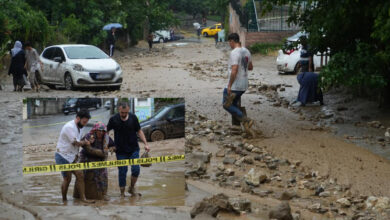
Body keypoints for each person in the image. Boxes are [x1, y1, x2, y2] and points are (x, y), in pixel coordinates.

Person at [107, 102, 150, 197]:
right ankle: (122, 193)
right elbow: (106, 133)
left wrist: (146, 144)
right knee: (122, 171)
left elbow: (139, 131)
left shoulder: (133, 118)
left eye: (125, 112)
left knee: (136, 170)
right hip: (120, 151)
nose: (123, 114)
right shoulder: (113, 119)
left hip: (133, 149)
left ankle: (131, 188)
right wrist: (110, 144)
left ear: (128, 110)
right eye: (122, 112)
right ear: (119, 109)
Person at [54, 109, 94, 203]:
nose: (85, 124)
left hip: (72, 156)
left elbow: (80, 139)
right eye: (84, 122)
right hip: (62, 156)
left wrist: (88, 140)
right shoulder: (69, 127)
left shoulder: (80, 126)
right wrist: (86, 143)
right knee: (67, 179)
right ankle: (64, 200)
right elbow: (76, 142)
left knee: (80, 174)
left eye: (86, 122)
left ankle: (83, 199)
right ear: (78, 118)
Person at [73, 122, 116, 201]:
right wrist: (87, 143)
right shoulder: (89, 136)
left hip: (100, 160)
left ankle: (103, 194)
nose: (101, 132)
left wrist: (112, 148)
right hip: (86, 158)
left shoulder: (107, 138)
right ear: (95, 130)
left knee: (103, 176)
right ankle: (79, 196)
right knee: (81, 176)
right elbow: (82, 144)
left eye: (102, 131)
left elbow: (114, 146)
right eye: (99, 130)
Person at [223, 33, 254, 133]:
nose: (229, 44)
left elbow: (234, 70)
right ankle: (237, 127)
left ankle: (245, 119)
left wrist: (229, 85)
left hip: (235, 85)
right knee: (234, 104)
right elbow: (250, 67)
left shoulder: (234, 52)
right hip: (244, 84)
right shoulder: (246, 51)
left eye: (229, 42)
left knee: (226, 104)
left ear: (232, 41)